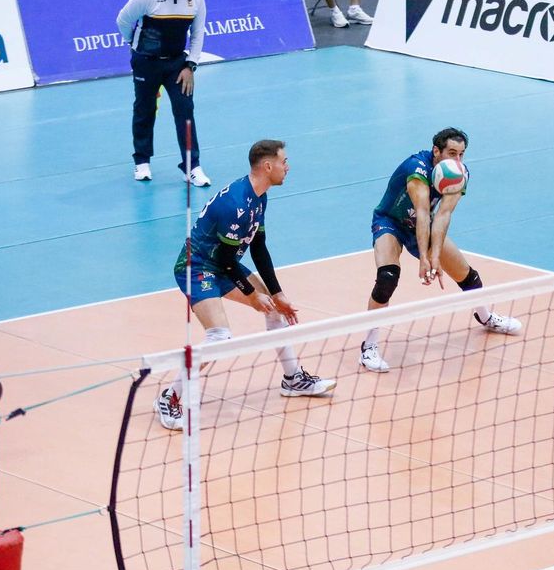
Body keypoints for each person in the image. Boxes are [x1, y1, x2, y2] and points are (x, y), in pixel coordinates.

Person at [154, 139, 334, 431]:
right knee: (220, 337)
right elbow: (226, 260)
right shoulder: (237, 204)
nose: (287, 167)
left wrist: (276, 293)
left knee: (274, 308)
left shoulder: (259, 196)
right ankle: (169, 396)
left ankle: (293, 379)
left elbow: (259, 246)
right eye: (283, 161)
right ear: (267, 166)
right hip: (197, 266)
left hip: (222, 263)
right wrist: (251, 294)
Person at [359, 128, 521, 373]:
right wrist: (424, 258)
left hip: (426, 225)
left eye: (461, 155)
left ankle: (485, 316)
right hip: (391, 222)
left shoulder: (459, 175)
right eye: (451, 153)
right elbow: (422, 211)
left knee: (467, 275)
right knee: (387, 278)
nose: (456, 161)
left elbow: (443, 215)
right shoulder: (417, 169)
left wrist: (436, 257)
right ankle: (369, 346)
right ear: (436, 152)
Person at [117, 0, 211, 187]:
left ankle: (191, 167)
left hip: (177, 65)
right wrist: (135, 46)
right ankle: (142, 161)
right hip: (146, 62)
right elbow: (123, 21)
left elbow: (198, 33)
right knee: (145, 108)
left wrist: (191, 65)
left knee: (185, 110)